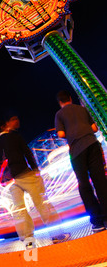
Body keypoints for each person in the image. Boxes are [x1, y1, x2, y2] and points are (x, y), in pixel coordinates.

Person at [0, 117, 69, 246]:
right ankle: (57, 235)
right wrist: (35, 169)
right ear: (5, 126)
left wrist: (3, 182)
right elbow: (27, 153)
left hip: (11, 181)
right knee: (42, 204)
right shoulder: (15, 137)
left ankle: (28, 240)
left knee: (20, 211)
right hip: (25, 174)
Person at [55, 90, 107, 232]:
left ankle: (97, 221)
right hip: (92, 144)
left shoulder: (59, 115)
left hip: (77, 151)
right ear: (70, 99)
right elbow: (94, 128)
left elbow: (60, 134)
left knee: (84, 185)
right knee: (101, 181)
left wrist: (71, 133)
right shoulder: (82, 109)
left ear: (60, 103)